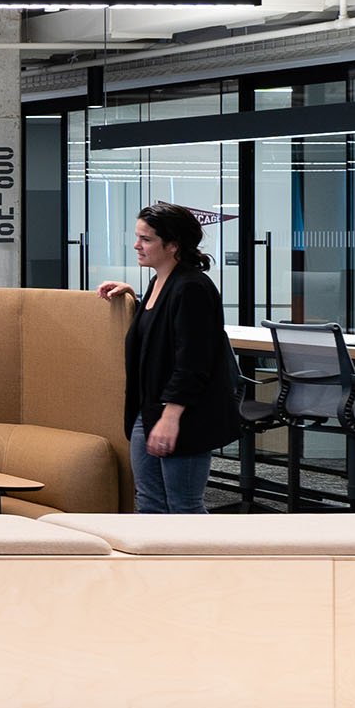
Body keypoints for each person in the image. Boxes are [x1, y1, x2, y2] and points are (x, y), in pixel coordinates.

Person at [96, 201, 245, 514]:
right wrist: (133, 297)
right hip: (148, 410)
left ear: (173, 245)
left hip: (180, 415)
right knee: (149, 504)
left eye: (146, 239)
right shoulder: (159, 282)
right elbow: (161, 331)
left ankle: (202, 565)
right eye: (137, 237)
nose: (137, 245)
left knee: (184, 507)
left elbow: (193, 362)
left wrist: (170, 417)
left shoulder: (193, 287)